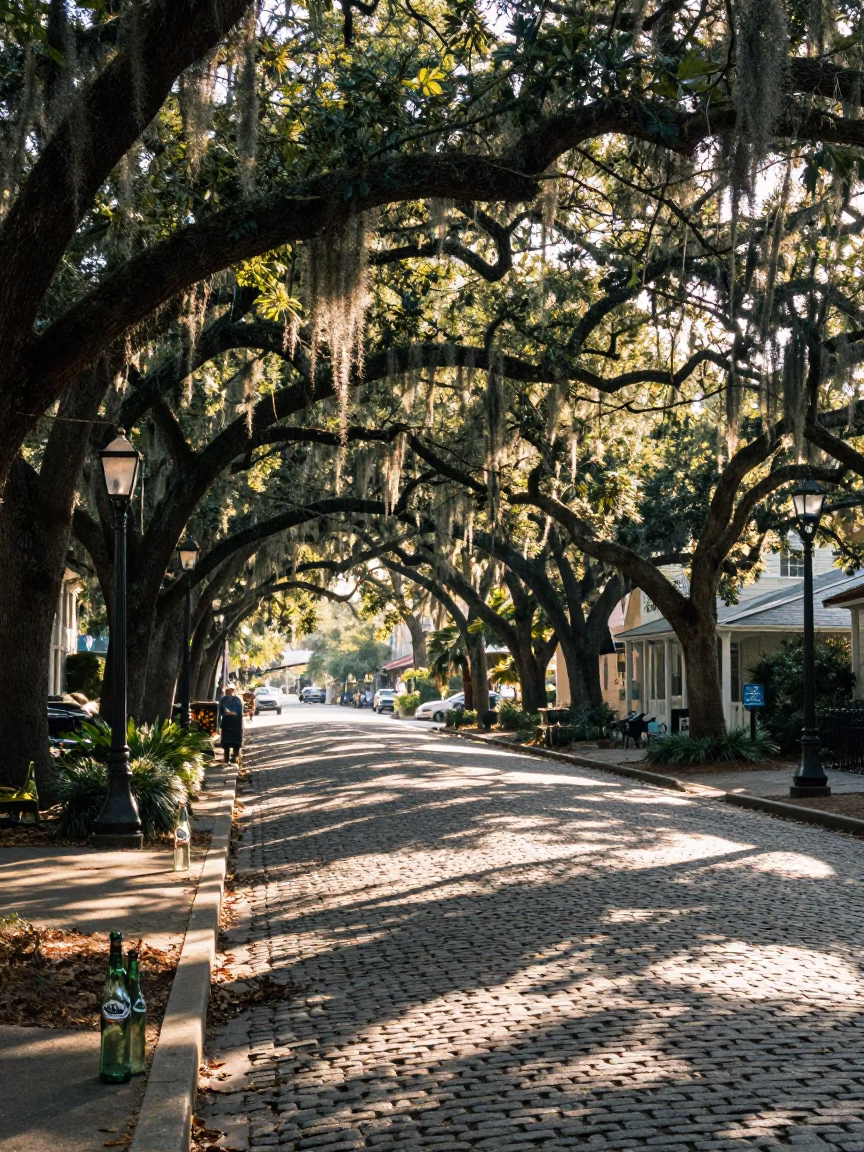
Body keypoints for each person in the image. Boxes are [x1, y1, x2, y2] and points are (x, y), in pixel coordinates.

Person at [218, 685, 243, 763]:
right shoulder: (225, 700)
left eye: (230, 690)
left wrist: (230, 713)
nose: (229, 692)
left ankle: (234, 757)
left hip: (233, 724)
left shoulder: (237, 700)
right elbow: (221, 710)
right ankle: (228, 758)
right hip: (230, 723)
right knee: (228, 743)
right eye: (228, 691)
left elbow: (239, 711)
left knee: (234, 743)